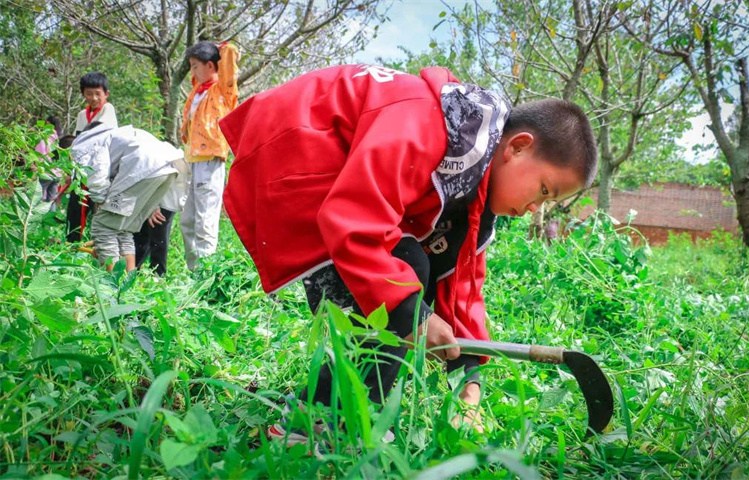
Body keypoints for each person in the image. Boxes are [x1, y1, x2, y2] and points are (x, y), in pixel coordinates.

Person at [220, 65, 597, 446]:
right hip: (294, 151)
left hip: (339, 183)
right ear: (517, 147)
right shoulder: (426, 123)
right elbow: (354, 221)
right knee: (402, 274)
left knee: (417, 267)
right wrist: (413, 315)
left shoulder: (475, 184)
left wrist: (468, 379)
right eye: (544, 190)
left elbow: (460, 281)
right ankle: (318, 420)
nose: (537, 208)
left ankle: (355, 408)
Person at [69, 122, 181, 271]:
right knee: (124, 230)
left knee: (103, 227)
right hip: (168, 168)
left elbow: (97, 173)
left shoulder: (83, 147)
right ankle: (127, 281)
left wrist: (102, 201)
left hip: (143, 168)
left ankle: (112, 285)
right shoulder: (115, 136)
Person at [179, 41, 239, 270]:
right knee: (188, 220)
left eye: (196, 66)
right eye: (191, 66)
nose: (192, 72)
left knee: (205, 220)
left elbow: (230, 59)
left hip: (211, 159)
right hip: (193, 160)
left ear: (212, 66)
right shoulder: (197, 89)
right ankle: (193, 270)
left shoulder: (223, 90)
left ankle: (205, 274)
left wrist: (221, 46)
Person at [67, 72, 119, 242]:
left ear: (106, 94)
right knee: (76, 208)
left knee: (98, 209)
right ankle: (73, 244)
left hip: (102, 168)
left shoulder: (107, 109)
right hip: (82, 169)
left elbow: (98, 138)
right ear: (83, 94)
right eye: (89, 94)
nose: (94, 97)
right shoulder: (82, 115)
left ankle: (99, 245)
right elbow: (77, 141)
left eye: (98, 93)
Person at [133, 156, 188, 276]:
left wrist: (153, 204)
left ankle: (158, 275)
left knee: (157, 235)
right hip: (163, 186)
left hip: (167, 190)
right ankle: (134, 270)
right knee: (145, 235)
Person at [35, 115, 63, 208]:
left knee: (39, 199)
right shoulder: (57, 138)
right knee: (52, 200)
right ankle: (50, 221)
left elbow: (40, 154)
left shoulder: (44, 138)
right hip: (57, 173)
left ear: (48, 123)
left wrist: (36, 167)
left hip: (46, 172)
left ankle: (38, 221)